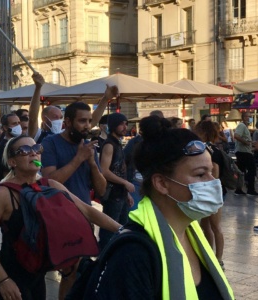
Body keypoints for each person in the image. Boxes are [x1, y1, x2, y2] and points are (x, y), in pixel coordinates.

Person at [88, 115, 234, 299]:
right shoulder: (133, 255)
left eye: (211, 172)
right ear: (162, 184)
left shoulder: (192, 233)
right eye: (200, 174)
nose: (212, 182)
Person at [0, 135, 121, 300]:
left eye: (37, 149)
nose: (33, 154)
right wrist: (3, 279)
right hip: (11, 274)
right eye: (24, 151)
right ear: (12, 162)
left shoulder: (50, 185)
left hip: (37, 273)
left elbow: (87, 211)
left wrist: (121, 229)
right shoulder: (1, 193)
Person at [40, 100, 108, 298]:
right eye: (82, 121)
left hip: (83, 217)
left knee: (74, 273)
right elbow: (50, 181)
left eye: (89, 121)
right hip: (56, 218)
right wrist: (78, 159)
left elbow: (101, 190)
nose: (87, 125)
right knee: (61, 270)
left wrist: (92, 164)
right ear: (67, 122)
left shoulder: (87, 148)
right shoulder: (51, 143)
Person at [195, 120, 228, 269]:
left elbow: (215, 173)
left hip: (212, 191)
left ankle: (219, 259)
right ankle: (209, 254)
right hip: (211, 191)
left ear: (203, 132)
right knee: (206, 224)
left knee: (214, 225)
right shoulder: (210, 148)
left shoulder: (208, 150)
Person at [98, 113, 135, 249]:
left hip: (120, 194)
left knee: (121, 229)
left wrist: (126, 193)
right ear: (114, 125)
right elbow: (105, 170)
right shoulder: (109, 145)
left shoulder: (117, 143)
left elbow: (120, 169)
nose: (125, 127)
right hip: (112, 195)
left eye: (126, 123)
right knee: (109, 231)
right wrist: (125, 183)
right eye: (122, 124)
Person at [233, 111, 258, 196]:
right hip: (243, 152)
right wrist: (246, 142)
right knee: (252, 169)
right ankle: (250, 189)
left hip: (244, 151)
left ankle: (239, 188)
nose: (250, 118)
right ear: (244, 117)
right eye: (249, 116)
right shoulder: (241, 126)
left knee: (241, 170)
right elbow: (236, 136)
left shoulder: (245, 127)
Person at [0, 114, 22, 182]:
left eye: (19, 123)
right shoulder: (5, 146)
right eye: (14, 124)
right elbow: (6, 172)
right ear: (5, 127)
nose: (18, 126)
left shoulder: (16, 142)